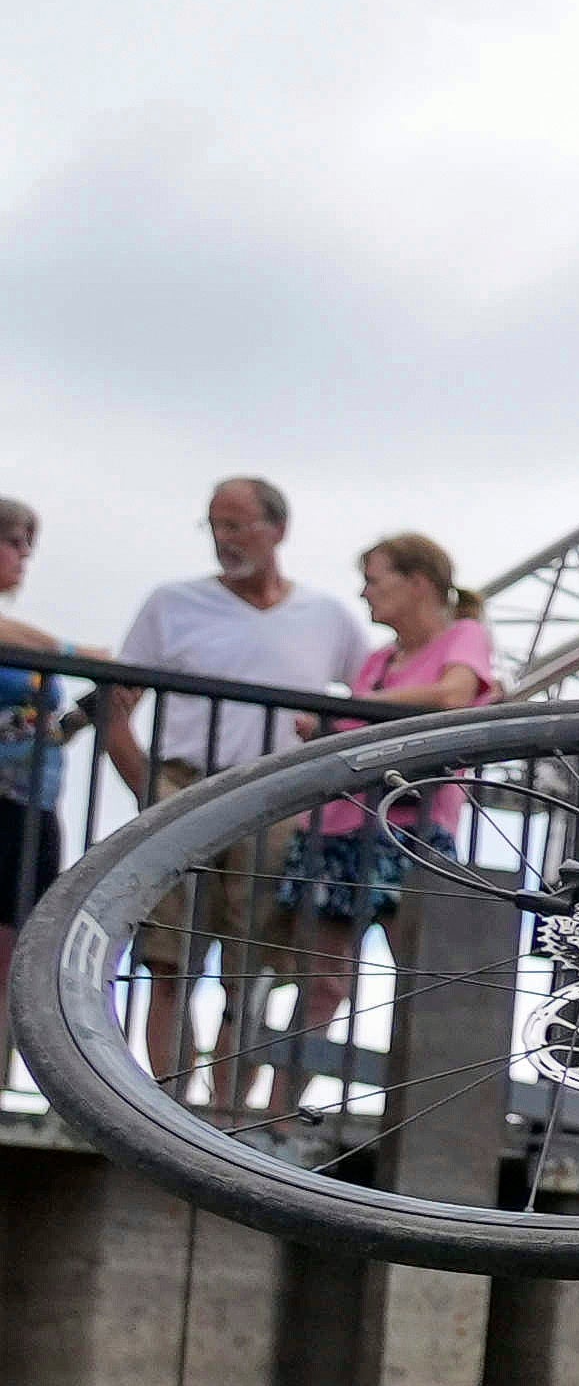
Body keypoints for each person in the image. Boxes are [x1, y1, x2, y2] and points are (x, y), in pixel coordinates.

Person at [94, 472, 367, 1112]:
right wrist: (150, 790)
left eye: (236, 524)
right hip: (184, 785)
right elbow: (116, 708)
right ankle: (165, 1109)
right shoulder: (171, 604)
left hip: (275, 798)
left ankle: (229, 1119)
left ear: (278, 529)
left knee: (256, 966)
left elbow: (369, 702)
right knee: (168, 958)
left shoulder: (328, 618)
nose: (223, 538)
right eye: (214, 524)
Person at [257, 533, 499, 1127]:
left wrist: (351, 711)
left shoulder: (463, 637)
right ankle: (276, 1114)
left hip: (409, 827)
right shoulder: (378, 659)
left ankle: (425, 1117)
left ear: (418, 583)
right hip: (341, 827)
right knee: (324, 982)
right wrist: (349, 717)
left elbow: (453, 695)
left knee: (418, 972)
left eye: (376, 578)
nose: (366, 592)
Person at [0, 493, 83, 931]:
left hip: (34, 803)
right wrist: (75, 652)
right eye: (14, 542)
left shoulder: (22, 638)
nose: (25, 555)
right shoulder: (19, 637)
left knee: (20, 946)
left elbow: (35, 728)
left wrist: (87, 716)